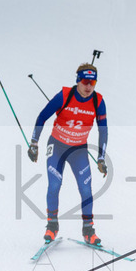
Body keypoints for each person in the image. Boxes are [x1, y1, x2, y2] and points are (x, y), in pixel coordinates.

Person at [27, 63, 109, 245]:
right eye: (85, 82)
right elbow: (42, 117)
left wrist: (101, 158)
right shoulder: (64, 95)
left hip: (78, 151)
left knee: (86, 189)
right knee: (54, 185)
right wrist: (34, 143)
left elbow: (103, 130)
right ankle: (52, 226)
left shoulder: (98, 101)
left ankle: (88, 230)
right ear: (78, 80)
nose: (88, 87)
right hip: (57, 147)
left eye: (93, 83)